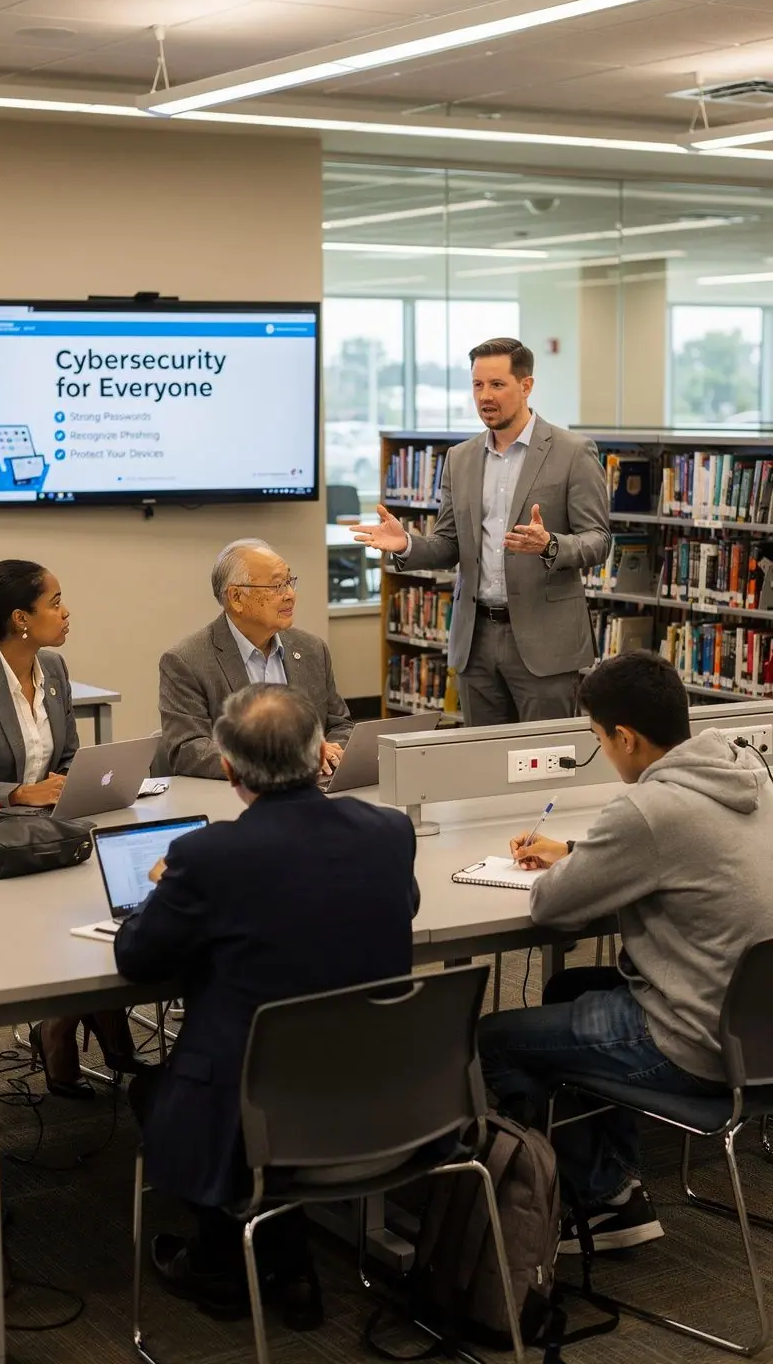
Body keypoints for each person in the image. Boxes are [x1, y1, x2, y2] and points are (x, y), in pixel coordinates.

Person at [115, 683, 419, 1329]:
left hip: (255, 1103)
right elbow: (401, 910)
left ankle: (223, 1266)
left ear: (228, 769)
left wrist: (162, 896)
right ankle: (290, 1265)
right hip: (385, 1089)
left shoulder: (205, 857)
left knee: (154, 1089)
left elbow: (136, 959)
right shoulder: (390, 830)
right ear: (319, 755)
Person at [478, 651, 773, 1253]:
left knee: (492, 1041)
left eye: (597, 740)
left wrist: (578, 862)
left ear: (625, 737)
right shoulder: (749, 777)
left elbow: (552, 909)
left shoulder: (646, 809)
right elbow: (678, 850)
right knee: (568, 992)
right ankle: (615, 1184)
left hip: (694, 1042)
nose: (602, 753)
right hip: (759, 1034)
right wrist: (583, 850)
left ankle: (601, 1199)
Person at [354, 337, 610, 726]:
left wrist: (551, 545)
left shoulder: (572, 451)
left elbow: (598, 540)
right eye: (477, 385)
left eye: (497, 385)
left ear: (526, 386)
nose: (485, 396)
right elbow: (448, 544)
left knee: (545, 761)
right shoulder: (461, 458)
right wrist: (407, 543)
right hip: (475, 641)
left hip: (545, 641)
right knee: (485, 766)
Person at [0, 559, 137, 1098]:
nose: (66, 611)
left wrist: (81, 783)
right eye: (55, 601)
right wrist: (12, 794)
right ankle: (71, 1024)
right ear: (20, 618)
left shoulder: (53, 669)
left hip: (50, 836)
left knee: (111, 905)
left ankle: (65, 1021)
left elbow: (68, 757)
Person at [159, 538, 352, 779]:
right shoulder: (186, 661)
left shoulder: (312, 649)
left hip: (313, 791)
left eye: (289, 582)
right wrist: (286, 762)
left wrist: (331, 754)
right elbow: (188, 750)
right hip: (236, 797)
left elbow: (339, 725)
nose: (290, 595)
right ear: (237, 598)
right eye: (277, 587)